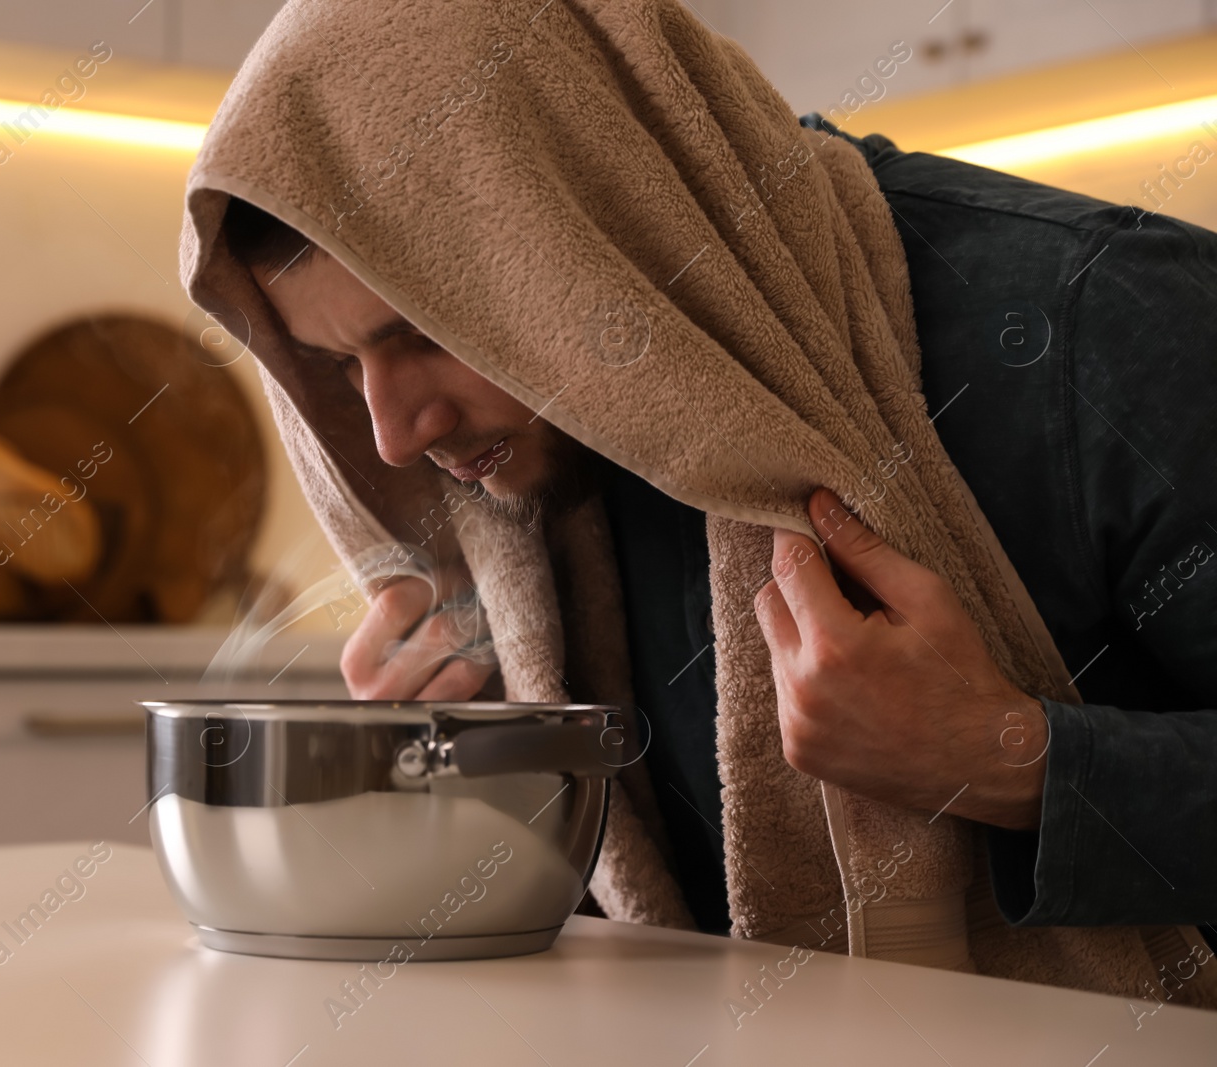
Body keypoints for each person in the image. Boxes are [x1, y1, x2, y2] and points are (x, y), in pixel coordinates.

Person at [180, 0, 1216, 1000]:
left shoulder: (1104, 319)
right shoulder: (525, 499)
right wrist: (457, 781)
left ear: (584, 221)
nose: (392, 433)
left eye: (423, 328)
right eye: (336, 363)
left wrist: (1007, 762)